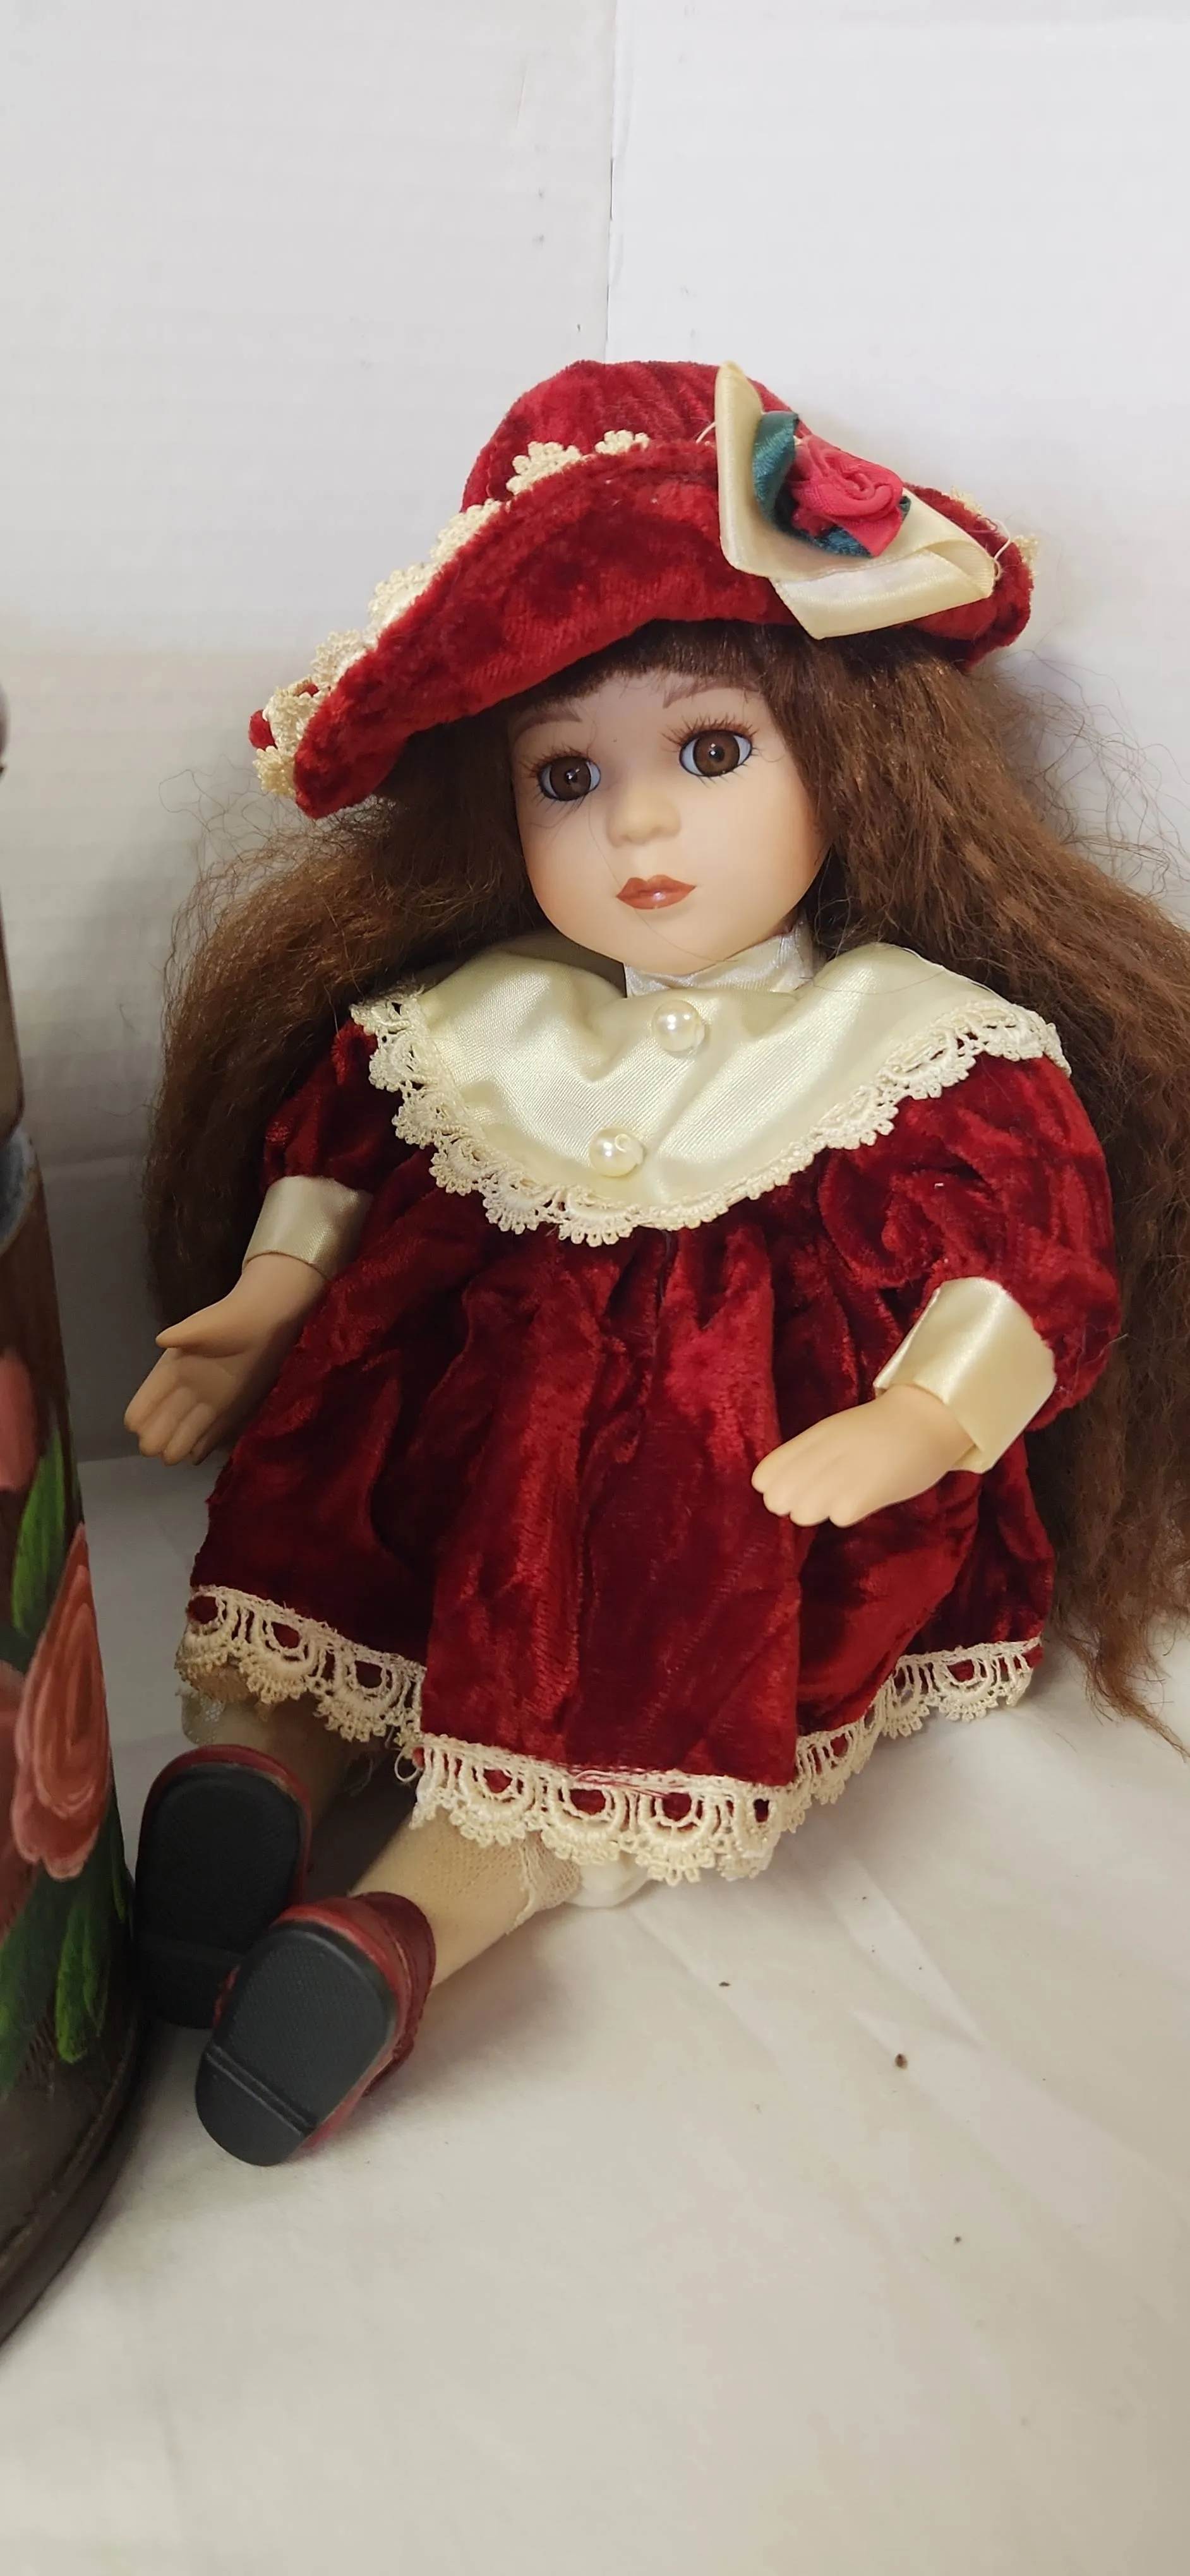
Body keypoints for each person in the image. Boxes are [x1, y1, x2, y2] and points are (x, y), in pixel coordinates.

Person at [126, 359, 1189, 2168]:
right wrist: (271, 1299)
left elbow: (1023, 1264)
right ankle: (270, 1766)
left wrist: (924, 1418)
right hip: (453, 1448)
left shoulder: (913, 1040)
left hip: (726, 1479)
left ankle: (428, 1900)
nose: (634, 829)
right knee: (340, 1521)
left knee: (637, 1597)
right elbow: (343, 1165)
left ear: (848, 757)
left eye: (707, 752)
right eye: (567, 775)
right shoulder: (478, 1020)